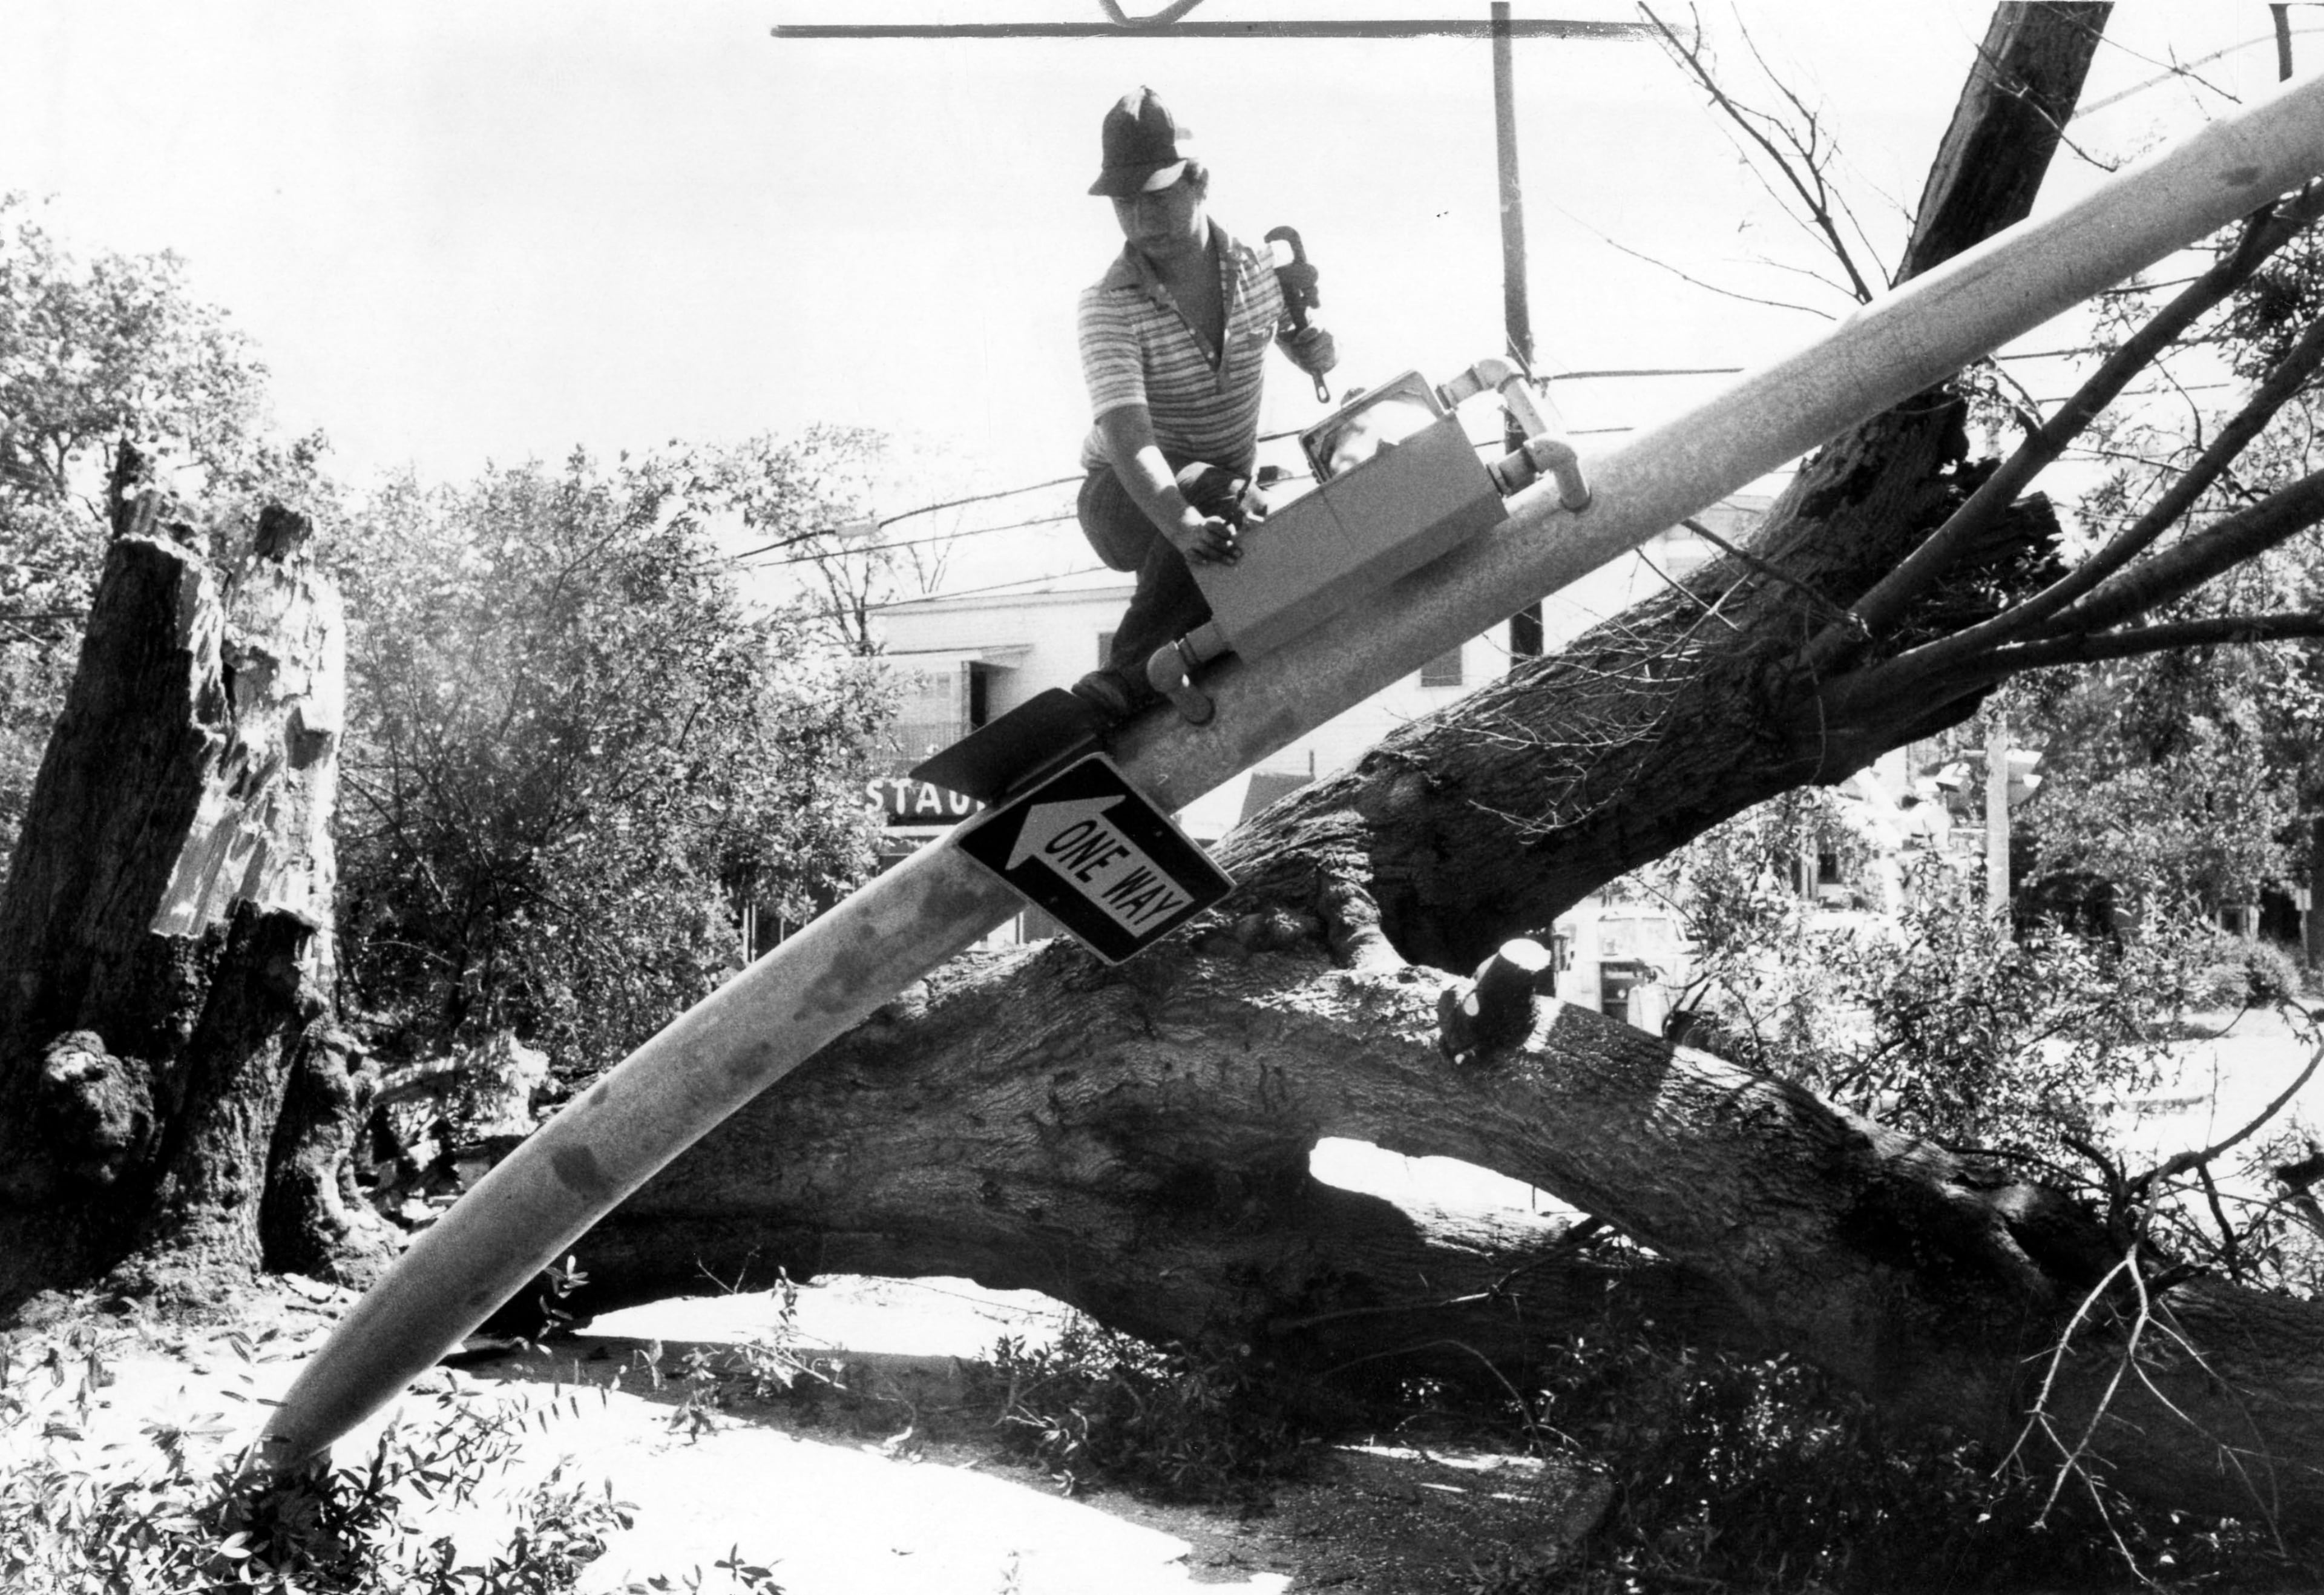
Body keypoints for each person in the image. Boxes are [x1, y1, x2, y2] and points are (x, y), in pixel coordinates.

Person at [1071, 86, 1338, 719]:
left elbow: (1293, 337)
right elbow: (1131, 440)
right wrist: (1183, 524)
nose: (1140, 218)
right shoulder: (1107, 303)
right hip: (1122, 496)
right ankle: (1119, 682)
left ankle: (1191, 666)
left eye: (1156, 197)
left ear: (1199, 183)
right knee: (1223, 501)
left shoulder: (1258, 270)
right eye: (1124, 204)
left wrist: (1313, 351)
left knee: (1260, 523)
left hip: (1215, 492)